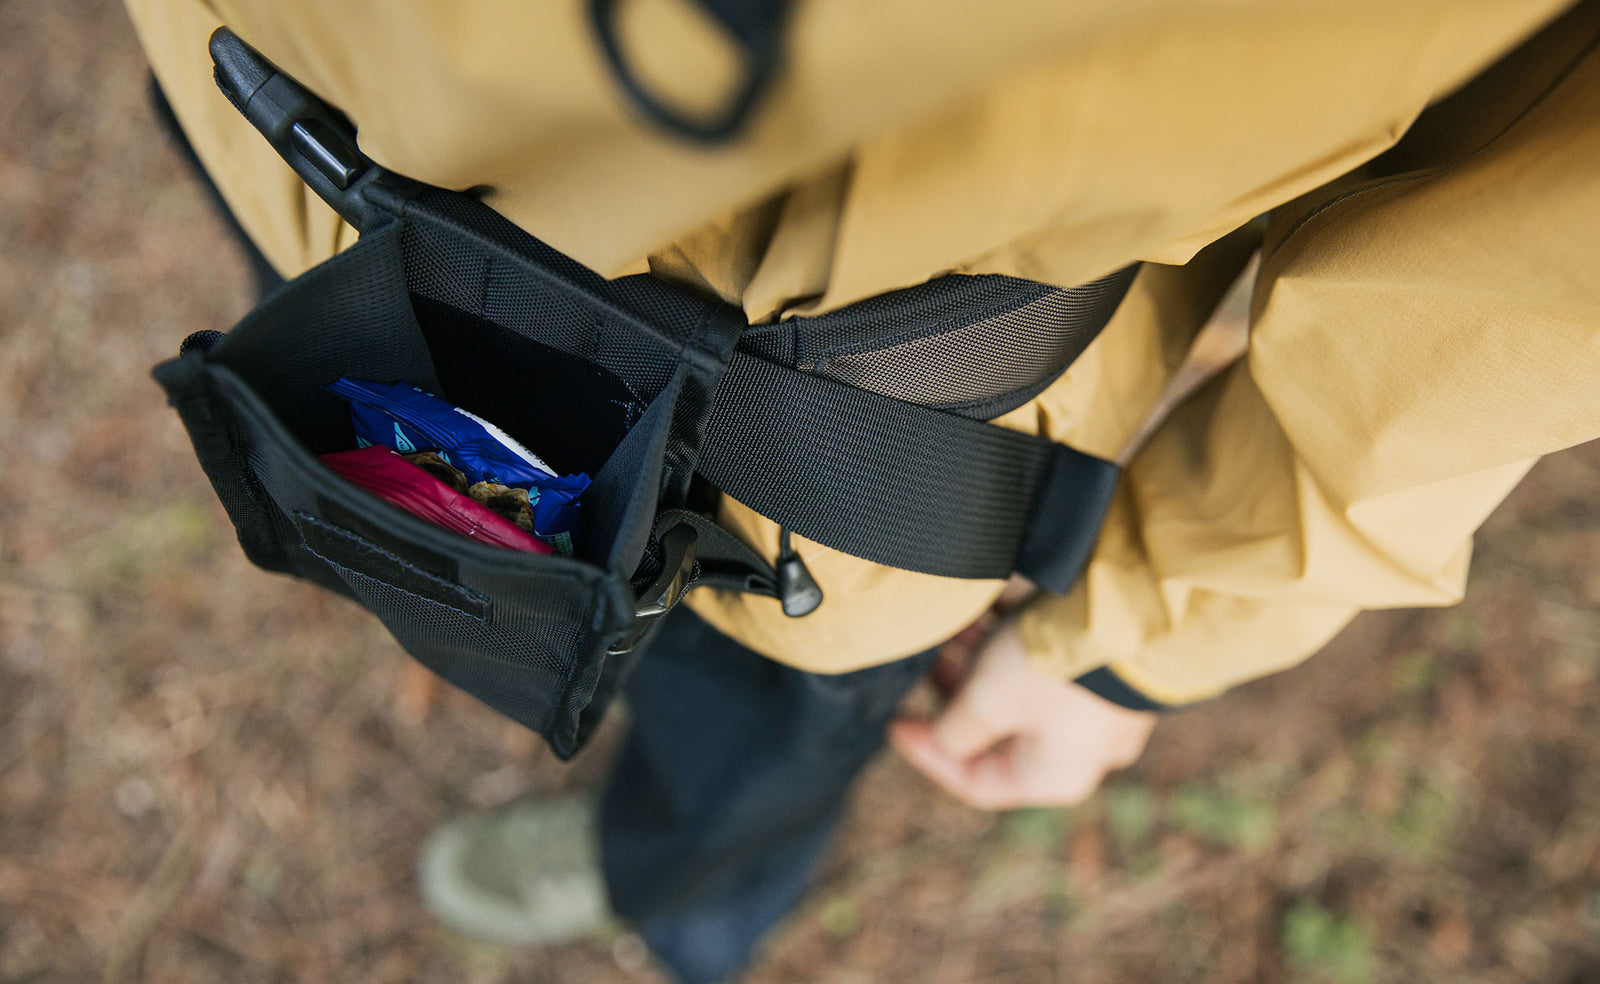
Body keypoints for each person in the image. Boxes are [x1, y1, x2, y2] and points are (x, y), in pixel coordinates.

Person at [126, 0, 1600, 979]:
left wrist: (1148, 637)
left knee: (736, 735)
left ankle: (677, 901)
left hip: (817, 480)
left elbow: (1528, 274)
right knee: (388, 493)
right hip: (302, 149)